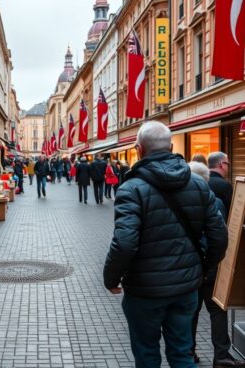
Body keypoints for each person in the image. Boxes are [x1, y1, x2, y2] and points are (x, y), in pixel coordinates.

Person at [103, 121, 228, 368]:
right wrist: (203, 268)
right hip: (185, 288)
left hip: (144, 290)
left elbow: (125, 243)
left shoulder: (130, 189)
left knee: (147, 354)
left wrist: (111, 278)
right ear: (171, 147)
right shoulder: (199, 185)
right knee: (182, 354)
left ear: (139, 149)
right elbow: (219, 235)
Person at [187, 161, 240, 367]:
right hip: (212, 267)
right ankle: (221, 355)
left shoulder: (179, 199)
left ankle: (190, 351)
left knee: (191, 311)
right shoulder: (214, 201)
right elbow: (221, 236)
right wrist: (213, 263)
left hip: (190, 268)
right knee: (218, 310)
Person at [208, 152, 233, 216]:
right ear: (222, 164)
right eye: (227, 164)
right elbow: (231, 212)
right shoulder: (225, 186)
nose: (228, 167)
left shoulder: (200, 181)